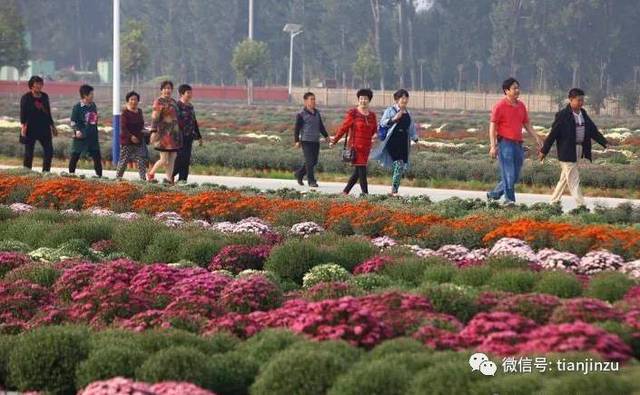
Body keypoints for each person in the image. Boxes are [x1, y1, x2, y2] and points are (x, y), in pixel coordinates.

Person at [539, 88, 608, 208]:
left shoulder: (583, 113)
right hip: (566, 151)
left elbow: (592, 130)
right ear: (571, 100)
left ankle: (553, 203)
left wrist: (604, 143)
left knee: (565, 178)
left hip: (579, 149)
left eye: (582, 100)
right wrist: (544, 150)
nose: (581, 103)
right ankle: (581, 206)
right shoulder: (562, 115)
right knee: (573, 178)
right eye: (579, 100)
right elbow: (553, 134)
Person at [486, 78, 544, 205]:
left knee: (515, 176)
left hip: (518, 144)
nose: (517, 90)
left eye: (518, 88)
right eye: (514, 88)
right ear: (506, 91)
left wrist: (536, 137)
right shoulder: (499, 106)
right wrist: (492, 146)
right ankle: (509, 200)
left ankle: (494, 194)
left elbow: (526, 123)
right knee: (509, 174)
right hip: (505, 144)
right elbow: (492, 127)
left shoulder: (521, 106)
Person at [330, 89, 377, 196]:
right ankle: (365, 195)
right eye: (361, 98)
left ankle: (345, 192)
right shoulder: (353, 113)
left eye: (365, 98)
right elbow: (344, 127)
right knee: (362, 170)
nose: (363, 101)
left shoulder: (372, 115)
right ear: (358, 100)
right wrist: (335, 140)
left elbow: (374, 129)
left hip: (366, 147)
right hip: (356, 146)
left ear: (369, 100)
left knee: (357, 172)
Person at [372, 89, 419, 196]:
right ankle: (394, 190)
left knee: (401, 165)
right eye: (402, 97)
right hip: (392, 140)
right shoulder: (391, 110)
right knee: (399, 163)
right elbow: (382, 123)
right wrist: (394, 118)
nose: (404, 100)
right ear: (397, 99)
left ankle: (394, 188)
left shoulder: (408, 112)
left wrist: (415, 138)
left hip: (403, 141)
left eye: (406, 98)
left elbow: (411, 127)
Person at [20, 76, 57, 172]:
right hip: (30, 128)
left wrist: (53, 126)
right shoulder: (26, 97)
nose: (39, 86)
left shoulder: (45, 96)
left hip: (44, 128)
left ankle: (46, 172)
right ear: (31, 85)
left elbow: (48, 112)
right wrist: (23, 128)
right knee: (29, 154)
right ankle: (26, 173)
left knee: (49, 152)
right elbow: (23, 114)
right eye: (36, 84)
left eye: (40, 84)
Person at [148, 80, 182, 184]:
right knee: (164, 159)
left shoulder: (173, 102)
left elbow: (178, 116)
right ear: (162, 90)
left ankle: (168, 179)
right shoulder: (158, 101)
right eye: (165, 88)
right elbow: (155, 117)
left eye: (169, 88)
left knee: (173, 157)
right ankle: (151, 173)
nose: (167, 90)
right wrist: (153, 131)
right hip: (163, 133)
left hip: (174, 133)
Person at [294, 91, 329, 188]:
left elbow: (321, 126)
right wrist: (297, 141)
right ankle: (311, 181)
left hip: (315, 140)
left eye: (314, 99)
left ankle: (299, 174)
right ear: (305, 101)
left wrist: (326, 136)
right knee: (309, 161)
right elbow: (297, 129)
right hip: (306, 141)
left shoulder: (317, 112)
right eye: (311, 99)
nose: (314, 101)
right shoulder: (301, 114)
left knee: (314, 161)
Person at [69, 84, 102, 177]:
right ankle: (71, 176)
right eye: (91, 94)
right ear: (85, 95)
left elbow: (93, 121)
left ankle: (100, 177)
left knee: (97, 157)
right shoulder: (77, 107)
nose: (93, 96)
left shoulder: (93, 105)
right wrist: (77, 131)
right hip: (81, 136)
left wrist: (94, 120)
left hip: (92, 136)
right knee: (75, 156)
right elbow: (73, 121)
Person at [173, 84, 203, 183]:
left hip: (189, 136)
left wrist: (199, 136)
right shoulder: (177, 106)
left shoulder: (190, 106)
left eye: (191, 93)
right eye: (188, 93)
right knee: (180, 159)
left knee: (186, 160)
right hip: (179, 137)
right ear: (182, 94)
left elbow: (194, 121)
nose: (190, 95)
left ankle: (182, 181)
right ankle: (170, 176)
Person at [115, 91, 147, 180]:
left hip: (139, 141)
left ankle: (143, 180)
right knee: (124, 161)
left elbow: (141, 125)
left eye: (135, 99)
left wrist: (146, 132)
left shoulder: (139, 111)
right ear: (128, 101)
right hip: (127, 141)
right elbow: (123, 127)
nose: (134, 101)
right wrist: (131, 137)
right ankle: (118, 179)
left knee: (141, 160)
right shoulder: (125, 113)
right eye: (131, 99)